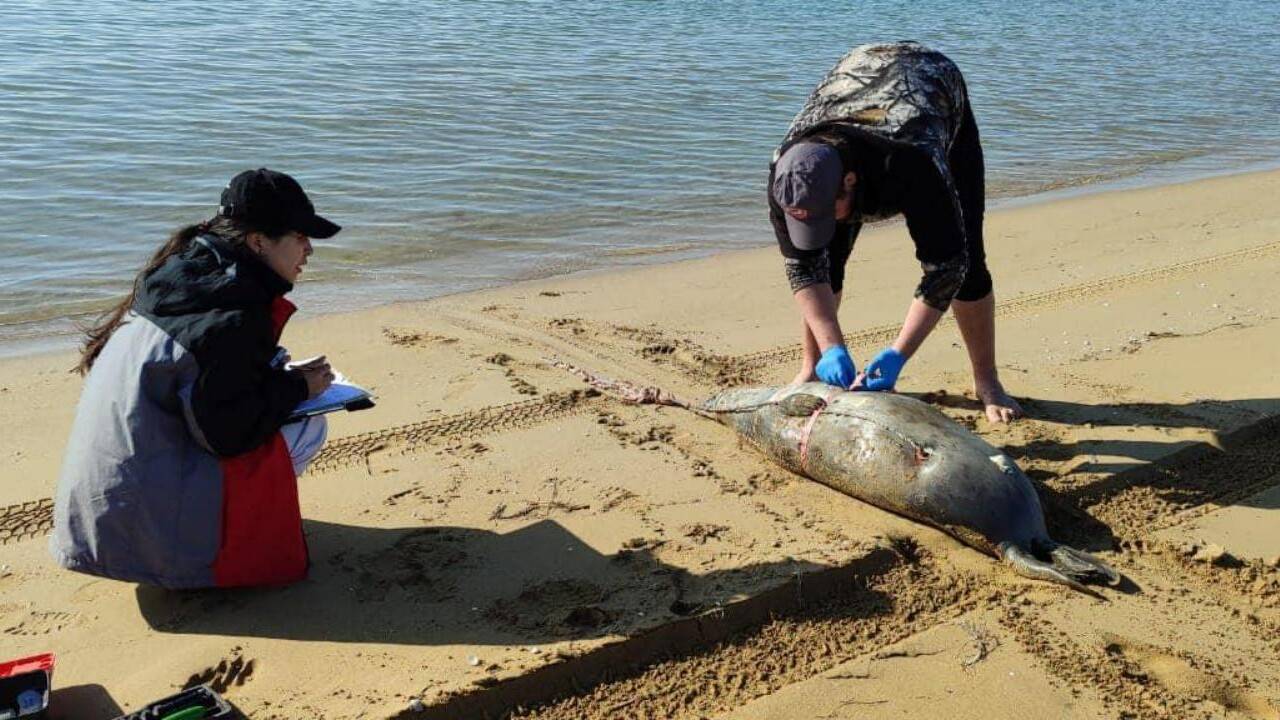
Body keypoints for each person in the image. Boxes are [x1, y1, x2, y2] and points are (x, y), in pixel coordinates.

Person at [51, 168, 341, 588]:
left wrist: (275, 375)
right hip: (151, 543)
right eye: (299, 237)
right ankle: (241, 532)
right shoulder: (235, 313)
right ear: (258, 241)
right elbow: (229, 435)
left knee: (279, 391)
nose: (309, 250)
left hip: (99, 521)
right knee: (310, 423)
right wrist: (300, 387)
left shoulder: (182, 271)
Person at [769, 41, 1022, 423]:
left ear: (850, 182)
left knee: (968, 261)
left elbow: (946, 269)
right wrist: (831, 346)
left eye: (828, 211)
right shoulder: (788, 173)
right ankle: (810, 369)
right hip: (858, 75)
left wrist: (897, 355)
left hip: (933, 90)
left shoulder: (914, 166)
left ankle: (987, 380)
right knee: (824, 258)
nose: (823, 221)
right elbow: (805, 269)